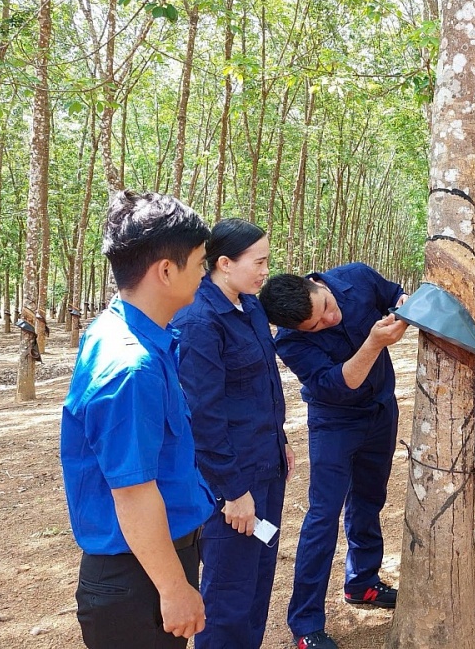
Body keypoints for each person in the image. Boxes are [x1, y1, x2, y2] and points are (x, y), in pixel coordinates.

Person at [60, 190, 215, 648]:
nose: (205, 273)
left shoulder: (129, 332)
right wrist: (173, 589)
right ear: (166, 270)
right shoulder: (131, 367)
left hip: (150, 562)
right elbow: (133, 492)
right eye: (200, 262)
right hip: (138, 579)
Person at [258, 265, 408, 649]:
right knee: (323, 516)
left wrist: (405, 307)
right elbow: (340, 384)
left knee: (370, 499)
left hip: (380, 409)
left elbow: (395, 295)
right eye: (318, 325)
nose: (331, 318)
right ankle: (306, 623)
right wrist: (373, 344)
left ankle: (363, 583)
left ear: (316, 285)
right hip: (335, 421)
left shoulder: (356, 277)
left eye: (325, 306)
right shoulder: (289, 343)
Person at [174, 219, 294, 648]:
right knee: (228, 594)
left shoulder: (252, 307)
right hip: (232, 480)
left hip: (267, 467)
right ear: (224, 263)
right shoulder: (201, 321)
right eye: (258, 262)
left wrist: (280, 441)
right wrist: (232, 491)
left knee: (259, 581)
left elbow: (262, 386)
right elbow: (203, 416)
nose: (265, 271)